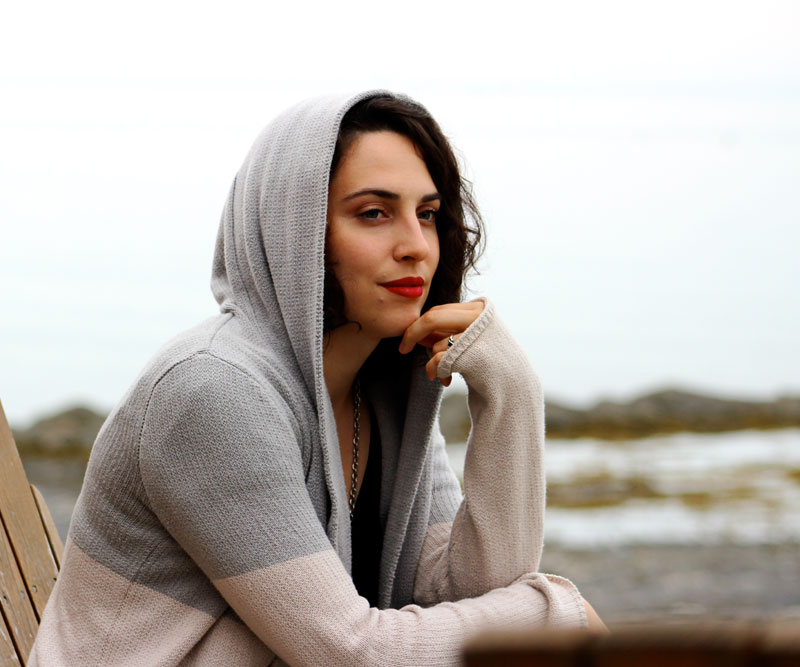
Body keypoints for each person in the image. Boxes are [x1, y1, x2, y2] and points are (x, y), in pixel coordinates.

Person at [30, 90, 605, 666]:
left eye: (427, 214)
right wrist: (558, 615)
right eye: (373, 213)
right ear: (295, 232)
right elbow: (352, 654)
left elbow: (474, 591)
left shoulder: (383, 392)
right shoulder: (212, 391)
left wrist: (513, 393)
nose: (416, 247)